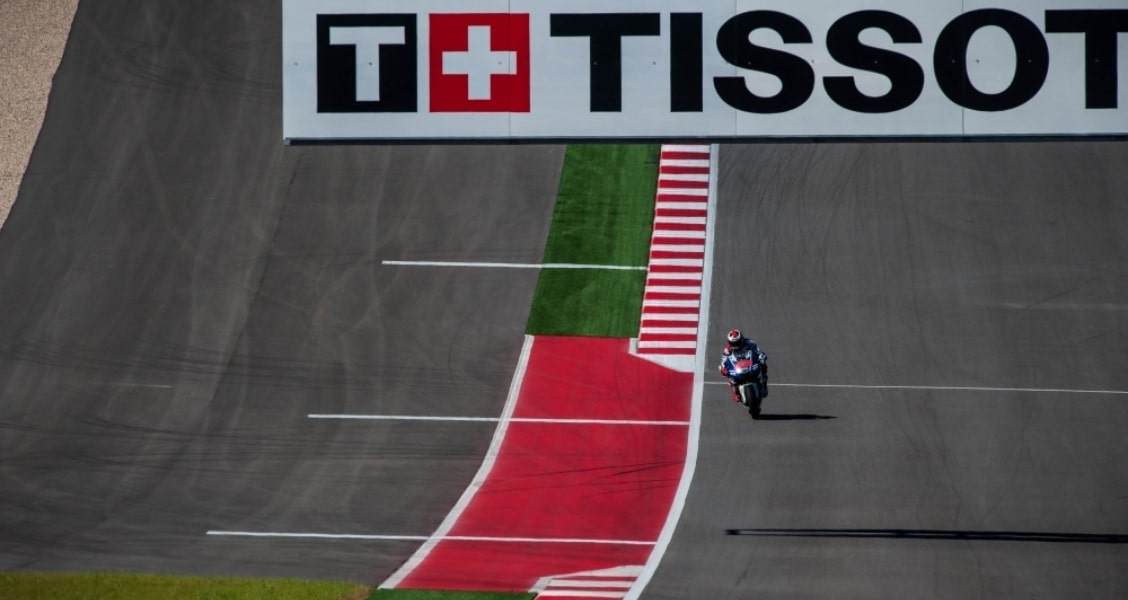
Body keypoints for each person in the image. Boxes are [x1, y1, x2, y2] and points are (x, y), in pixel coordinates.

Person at [718, 329, 768, 402]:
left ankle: (764, 382)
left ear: (741, 339)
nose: (736, 344)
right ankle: (734, 392)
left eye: (737, 342)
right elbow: (723, 360)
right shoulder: (727, 349)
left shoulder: (750, 343)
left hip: (749, 362)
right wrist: (723, 368)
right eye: (733, 343)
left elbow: (758, 351)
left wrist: (761, 356)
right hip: (737, 364)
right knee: (728, 375)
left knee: (763, 363)